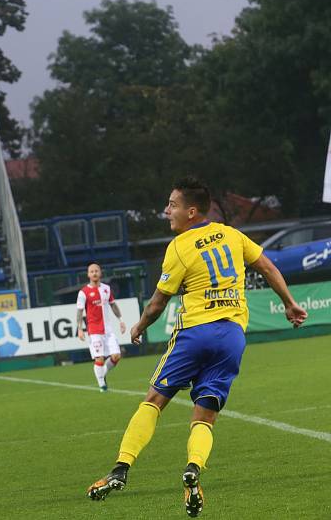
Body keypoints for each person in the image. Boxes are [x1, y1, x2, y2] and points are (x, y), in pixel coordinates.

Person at [86, 178, 307, 517]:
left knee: (155, 400)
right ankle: (193, 469)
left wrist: (139, 326)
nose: (166, 211)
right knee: (205, 416)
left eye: (171, 205)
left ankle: (121, 468)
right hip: (232, 336)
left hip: (195, 333)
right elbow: (267, 266)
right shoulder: (232, 234)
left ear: (191, 211)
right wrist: (290, 303)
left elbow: (160, 301)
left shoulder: (179, 246)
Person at [76, 263, 126, 391]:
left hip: (108, 330)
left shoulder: (106, 289)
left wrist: (121, 320)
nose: (94, 273)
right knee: (100, 358)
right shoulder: (83, 292)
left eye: (96, 271)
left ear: (100, 273)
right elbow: (80, 311)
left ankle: (102, 373)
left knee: (116, 356)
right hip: (94, 331)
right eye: (91, 271)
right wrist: (80, 328)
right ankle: (102, 385)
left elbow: (113, 305)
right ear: (88, 274)